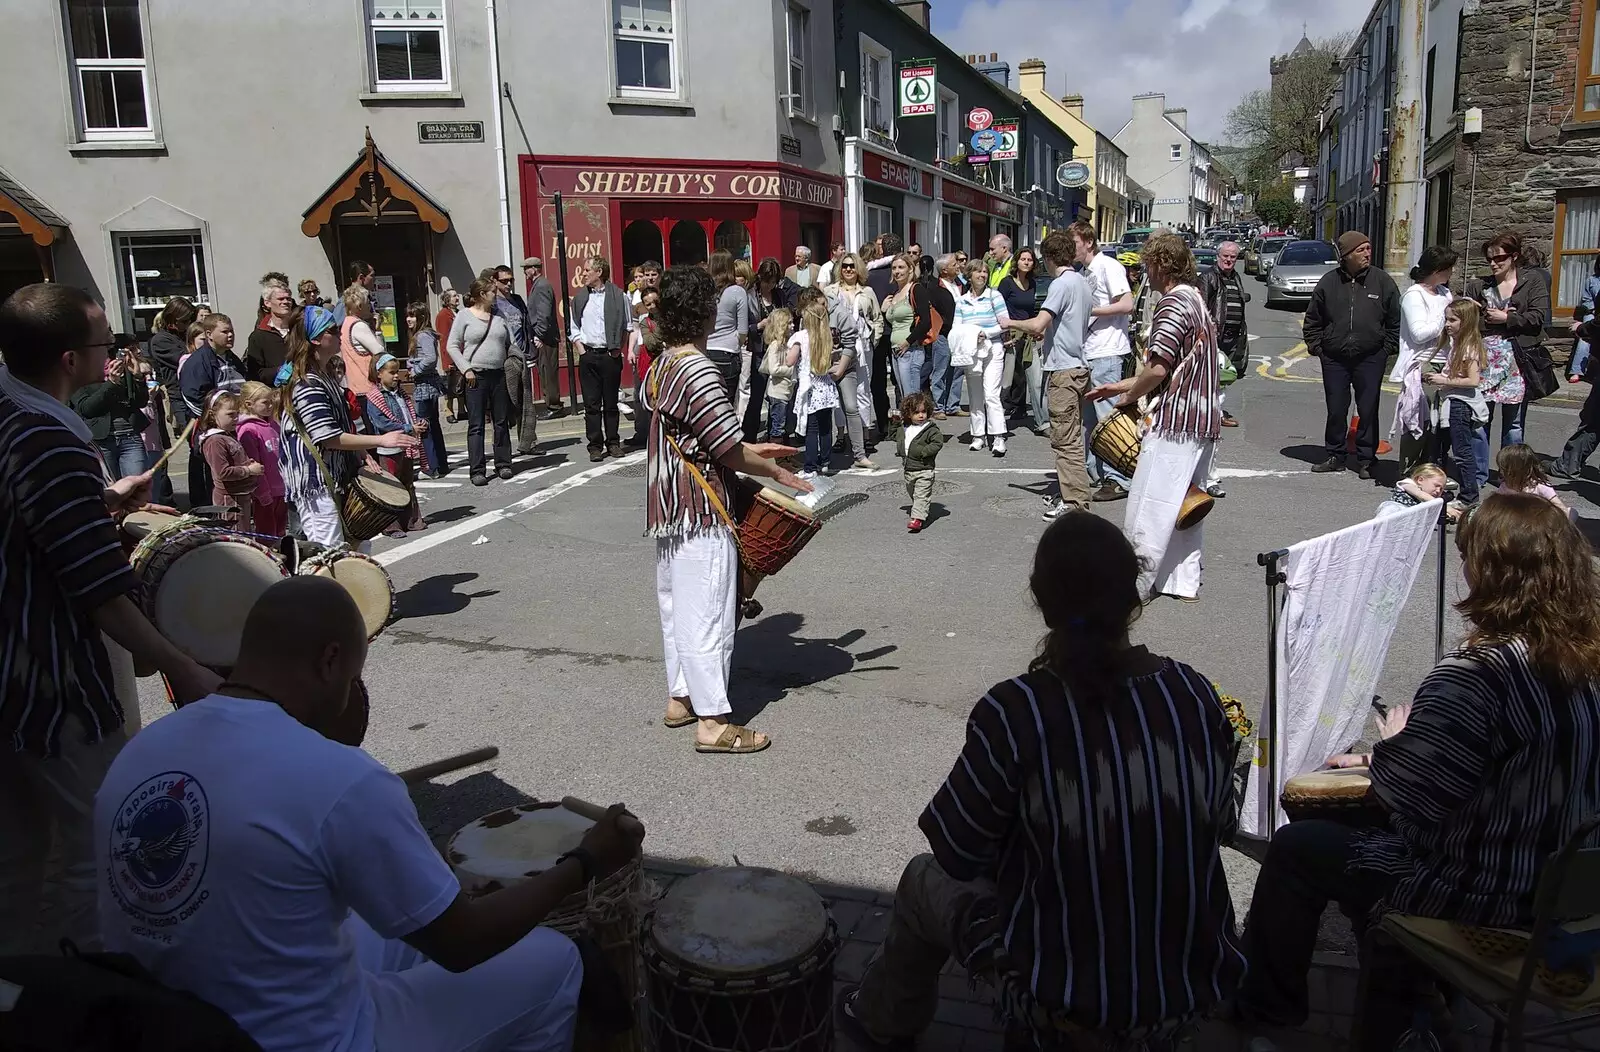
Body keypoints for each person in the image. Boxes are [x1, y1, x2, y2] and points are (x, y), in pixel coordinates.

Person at [96, 574, 643, 1052]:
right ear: (331, 660)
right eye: (355, 672)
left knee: (375, 920)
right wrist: (585, 862)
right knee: (552, 961)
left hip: (173, 1026)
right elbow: (462, 944)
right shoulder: (342, 779)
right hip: (315, 1041)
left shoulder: (142, 752)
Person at [839, 512, 1245, 1050]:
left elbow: (958, 853)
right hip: (1190, 985)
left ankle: (880, 1024)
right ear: (1133, 599)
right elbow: (1221, 823)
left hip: (1060, 998)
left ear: (1042, 602)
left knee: (922, 879)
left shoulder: (1017, 710)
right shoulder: (1193, 694)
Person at [1235, 492, 1600, 1052]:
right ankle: (1412, 1001)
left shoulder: (1476, 676)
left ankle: (1272, 1009)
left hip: (1484, 896)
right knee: (1352, 852)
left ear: (1492, 574)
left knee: (1299, 847)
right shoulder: (1587, 661)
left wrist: (1396, 743)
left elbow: (1404, 799)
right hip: (1565, 893)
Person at [1, 282, 221, 958]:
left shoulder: (11, 419)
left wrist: (99, 503)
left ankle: (19, 987)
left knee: (19, 856)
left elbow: (36, 532)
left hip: (14, 677)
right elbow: (97, 590)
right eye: (103, 343)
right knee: (90, 852)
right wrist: (186, 667)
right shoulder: (51, 441)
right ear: (70, 359)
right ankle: (90, 998)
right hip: (57, 683)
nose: (113, 354)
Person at [643, 265, 810, 755]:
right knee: (709, 614)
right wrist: (777, 472)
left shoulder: (660, 366)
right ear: (706, 311)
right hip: (701, 509)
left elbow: (705, 437)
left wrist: (754, 447)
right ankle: (713, 723)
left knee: (677, 610)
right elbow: (729, 452)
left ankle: (681, 699)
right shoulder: (699, 368)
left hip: (668, 506)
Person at [1088, 232, 1221, 603]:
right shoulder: (1196, 300)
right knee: (1185, 504)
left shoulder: (1173, 304)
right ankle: (1181, 581)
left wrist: (1129, 396)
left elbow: (1159, 368)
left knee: (1151, 505)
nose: (1145, 270)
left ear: (1161, 264)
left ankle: (1134, 587)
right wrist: (1119, 386)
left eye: (1147, 263)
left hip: (1177, 419)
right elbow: (1172, 364)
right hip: (1201, 417)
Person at [280, 305, 417, 546]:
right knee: (331, 552)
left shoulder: (325, 377)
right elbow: (328, 437)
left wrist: (361, 452)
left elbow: (341, 425)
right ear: (315, 339)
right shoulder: (307, 384)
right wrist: (381, 440)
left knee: (357, 548)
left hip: (334, 476)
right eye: (332, 330)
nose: (339, 334)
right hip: (316, 481)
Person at [998, 230, 1094, 521]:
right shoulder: (1081, 282)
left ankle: (1075, 501)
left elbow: (1039, 323)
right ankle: (1070, 491)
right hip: (1079, 365)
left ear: (1050, 257)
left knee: (1065, 441)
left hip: (1064, 370)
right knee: (1072, 436)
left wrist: (1009, 322)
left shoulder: (1060, 284)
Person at [1304, 231, 1401, 479]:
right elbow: (1313, 318)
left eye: (1369, 248)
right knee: (1336, 408)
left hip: (1370, 357)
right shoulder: (1328, 282)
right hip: (1335, 357)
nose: (1367, 253)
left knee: (1368, 408)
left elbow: (1395, 320)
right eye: (1361, 250)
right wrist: (1318, 347)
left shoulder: (1382, 281)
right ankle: (1335, 454)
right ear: (1346, 255)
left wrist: (1386, 349)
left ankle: (1366, 459)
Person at [1467, 229, 1551, 457]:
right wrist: (1486, 313)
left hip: (1517, 361)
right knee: (1480, 420)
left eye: (1499, 258)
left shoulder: (1532, 281)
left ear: (1514, 256)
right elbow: (1465, 319)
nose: (1493, 264)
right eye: (1490, 259)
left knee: (1514, 424)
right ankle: (1478, 475)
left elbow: (1537, 318)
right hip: (1484, 361)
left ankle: (1510, 474)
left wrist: (1507, 318)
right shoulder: (1479, 286)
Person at [1074, 221, 1136, 501]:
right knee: (1089, 419)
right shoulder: (1085, 272)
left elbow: (1126, 304)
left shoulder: (1109, 266)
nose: (1070, 249)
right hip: (1090, 350)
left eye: (1074, 243)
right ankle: (1098, 472)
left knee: (1108, 416)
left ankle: (1119, 477)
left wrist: (1090, 309)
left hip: (1107, 351)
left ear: (1088, 241)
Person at [1389, 246, 1458, 471]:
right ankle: (1410, 472)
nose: (1451, 273)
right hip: (1423, 363)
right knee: (1420, 420)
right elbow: (1418, 334)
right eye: (1448, 269)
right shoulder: (1413, 296)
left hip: (1446, 361)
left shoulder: (1444, 293)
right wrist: (1446, 320)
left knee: (1442, 422)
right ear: (1437, 270)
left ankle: (1434, 470)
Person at [1424, 297, 1488, 514]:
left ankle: (1469, 496)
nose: (1447, 324)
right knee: (1439, 446)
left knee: (1462, 452)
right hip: (1449, 401)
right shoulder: (1457, 344)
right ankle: (1437, 488)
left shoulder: (1469, 347)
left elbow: (1473, 381)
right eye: (1446, 319)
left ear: (1466, 321)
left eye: (1452, 320)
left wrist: (1444, 380)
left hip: (1460, 404)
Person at [448, 278, 515, 485]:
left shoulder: (499, 315)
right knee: (476, 425)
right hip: (475, 376)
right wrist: (466, 369)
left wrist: (515, 361)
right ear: (482, 295)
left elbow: (511, 342)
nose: (496, 294)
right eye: (493, 291)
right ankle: (477, 470)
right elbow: (451, 346)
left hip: (499, 375)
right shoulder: (463, 316)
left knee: (501, 422)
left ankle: (503, 464)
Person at [570, 256, 630, 462]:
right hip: (589, 355)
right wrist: (581, 350)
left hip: (609, 356)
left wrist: (617, 350)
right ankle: (595, 445)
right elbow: (574, 328)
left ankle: (613, 442)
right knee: (591, 405)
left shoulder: (619, 296)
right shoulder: (579, 299)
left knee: (611, 403)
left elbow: (627, 326)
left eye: (587, 270)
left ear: (599, 272)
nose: (584, 273)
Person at [366, 354, 429, 536]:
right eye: (391, 372)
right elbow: (382, 423)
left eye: (397, 372)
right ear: (379, 374)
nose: (396, 376)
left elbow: (410, 415)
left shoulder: (401, 394)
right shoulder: (375, 397)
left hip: (405, 445)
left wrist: (420, 423)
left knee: (408, 483)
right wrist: (409, 427)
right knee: (391, 487)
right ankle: (391, 526)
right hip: (388, 448)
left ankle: (412, 520)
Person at [951, 260, 1009, 456]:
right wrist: (970, 337)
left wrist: (985, 333)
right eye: (978, 272)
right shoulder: (962, 300)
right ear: (969, 275)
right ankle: (978, 436)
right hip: (971, 351)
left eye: (985, 272)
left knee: (991, 394)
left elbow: (1004, 324)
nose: (983, 275)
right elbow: (956, 328)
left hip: (993, 349)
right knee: (975, 395)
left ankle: (998, 436)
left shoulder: (995, 296)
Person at [72, 338, 150, 480]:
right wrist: (111, 383)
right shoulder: (82, 372)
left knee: (137, 487)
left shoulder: (121, 366)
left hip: (130, 437)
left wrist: (138, 377)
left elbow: (141, 402)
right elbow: (87, 409)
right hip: (101, 440)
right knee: (111, 489)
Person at [828, 250, 882, 447]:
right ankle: (841, 435)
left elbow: (877, 318)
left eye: (852, 266)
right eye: (845, 266)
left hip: (863, 346)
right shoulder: (830, 292)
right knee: (839, 390)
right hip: (838, 347)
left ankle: (865, 434)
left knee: (863, 389)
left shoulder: (867, 292)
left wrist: (872, 339)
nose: (848, 269)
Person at [1196, 239, 1250, 429]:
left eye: (1233, 257)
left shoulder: (1236, 276)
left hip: (1233, 336)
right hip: (1215, 336)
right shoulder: (1208, 277)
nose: (1228, 260)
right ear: (1218, 256)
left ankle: (1214, 411)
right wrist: (1207, 333)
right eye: (1225, 256)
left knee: (1223, 377)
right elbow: (1201, 307)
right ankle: (1213, 415)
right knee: (1214, 376)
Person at [487, 264, 538, 457]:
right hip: (502, 359)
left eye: (511, 280)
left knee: (526, 402)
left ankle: (529, 442)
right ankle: (501, 447)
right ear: (494, 281)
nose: (508, 284)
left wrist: (532, 345)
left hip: (522, 356)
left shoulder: (517, 301)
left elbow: (526, 325)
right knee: (504, 405)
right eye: (504, 281)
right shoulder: (492, 305)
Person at [995, 246, 1047, 435]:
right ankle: (995, 423)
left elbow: (1033, 311)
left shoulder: (1032, 283)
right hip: (1010, 336)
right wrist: (1004, 334)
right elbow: (998, 309)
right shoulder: (1007, 284)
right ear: (1016, 261)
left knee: (1036, 380)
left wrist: (1038, 328)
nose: (1026, 262)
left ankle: (1043, 422)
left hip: (1028, 336)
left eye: (1030, 260)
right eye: (1023, 259)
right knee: (1006, 383)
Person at [198, 389, 263, 534]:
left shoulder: (227, 436)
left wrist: (247, 463)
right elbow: (222, 472)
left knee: (244, 533)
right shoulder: (215, 441)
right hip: (229, 500)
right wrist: (248, 470)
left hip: (240, 496)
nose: (235, 418)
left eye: (237, 414)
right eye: (230, 414)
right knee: (235, 535)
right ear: (212, 415)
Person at [789, 295, 840, 479]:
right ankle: (825, 461)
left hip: (810, 388)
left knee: (811, 429)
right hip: (826, 386)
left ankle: (810, 466)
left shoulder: (801, 336)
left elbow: (790, 360)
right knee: (826, 427)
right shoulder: (826, 336)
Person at [236, 381, 288, 539]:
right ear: (249, 404)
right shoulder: (248, 430)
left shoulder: (274, 425)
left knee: (280, 531)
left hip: (282, 489)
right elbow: (254, 463)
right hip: (265, 493)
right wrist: (263, 492)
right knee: (267, 534)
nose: (271, 406)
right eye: (265, 402)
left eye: (272, 401)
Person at [405, 302, 450, 478]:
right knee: (433, 426)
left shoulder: (423, 335)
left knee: (425, 427)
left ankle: (431, 467)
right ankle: (441, 464)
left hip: (425, 386)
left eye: (413, 316)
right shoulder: (423, 335)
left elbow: (430, 358)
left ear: (421, 317)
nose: (409, 319)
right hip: (429, 385)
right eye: (408, 315)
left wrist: (415, 370)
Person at [865, 234, 903, 429]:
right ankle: (902, 418)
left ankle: (882, 423)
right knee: (901, 379)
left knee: (878, 379)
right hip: (900, 332)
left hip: (878, 332)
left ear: (881, 250)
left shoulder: (871, 275)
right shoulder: (904, 273)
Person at [897, 391, 946, 533]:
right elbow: (895, 436)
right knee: (913, 493)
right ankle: (921, 509)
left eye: (924, 412)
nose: (920, 415)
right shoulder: (905, 428)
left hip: (924, 469)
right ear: (908, 413)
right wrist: (894, 423)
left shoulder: (930, 429)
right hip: (908, 469)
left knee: (921, 494)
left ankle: (917, 519)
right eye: (916, 412)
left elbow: (937, 443)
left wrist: (924, 452)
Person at [922, 256, 963, 417]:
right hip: (943, 333)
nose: (958, 266)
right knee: (941, 369)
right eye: (954, 264)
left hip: (960, 333)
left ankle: (953, 405)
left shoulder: (960, 284)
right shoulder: (934, 287)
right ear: (944, 270)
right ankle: (938, 406)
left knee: (958, 369)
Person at [147, 296, 197, 430]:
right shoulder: (161, 340)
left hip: (199, 393)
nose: (188, 324)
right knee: (193, 438)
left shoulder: (187, 335)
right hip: (180, 397)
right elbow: (188, 361)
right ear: (172, 319)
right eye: (185, 321)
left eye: (191, 320)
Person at [705, 249, 749, 399]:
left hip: (705, 350)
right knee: (727, 405)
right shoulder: (737, 291)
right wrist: (736, 342)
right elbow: (743, 330)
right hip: (728, 352)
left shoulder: (704, 291)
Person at [522, 258, 563, 418]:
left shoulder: (542, 286)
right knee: (545, 371)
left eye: (526, 268)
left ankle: (554, 406)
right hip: (543, 336)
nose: (524, 271)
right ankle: (551, 403)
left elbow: (544, 314)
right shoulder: (538, 285)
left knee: (548, 372)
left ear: (534, 268)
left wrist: (539, 334)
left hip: (546, 338)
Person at [883, 254, 922, 418]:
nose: (897, 271)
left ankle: (918, 434)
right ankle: (910, 434)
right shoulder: (895, 293)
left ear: (910, 269)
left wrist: (907, 342)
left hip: (910, 350)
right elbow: (895, 323)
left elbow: (925, 322)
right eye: (894, 268)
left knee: (911, 397)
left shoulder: (916, 289)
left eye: (901, 267)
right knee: (905, 396)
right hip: (896, 351)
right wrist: (884, 309)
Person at [339, 285, 385, 423]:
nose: (370, 306)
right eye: (367, 302)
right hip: (368, 387)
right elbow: (380, 352)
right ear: (359, 306)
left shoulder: (345, 323)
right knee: (375, 430)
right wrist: (378, 331)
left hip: (354, 386)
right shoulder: (359, 326)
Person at [626, 288, 663, 446]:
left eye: (655, 302)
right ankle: (646, 433)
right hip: (649, 363)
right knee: (646, 398)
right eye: (648, 304)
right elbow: (651, 343)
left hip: (667, 363)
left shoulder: (671, 319)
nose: (653, 306)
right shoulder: (644, 322)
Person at [1497, 443, 1573, 518]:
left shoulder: (1539, 486)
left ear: (1520, 470)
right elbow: (1495, 505)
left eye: (1505, 469)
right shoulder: (1505, 486)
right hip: (1517, 521)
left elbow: (1559, 507)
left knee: (1571, 513)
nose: (1501, 472)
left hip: (1540, 522)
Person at [245, 281, 296, 386]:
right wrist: (279, 371)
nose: (286, 302)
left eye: (288, 298)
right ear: (267, 303)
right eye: (280, 299)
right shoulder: (258, 336)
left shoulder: (300, 330)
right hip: (274, 396)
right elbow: (255, 374)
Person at [759, 307, 797, 442]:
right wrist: (792, 371)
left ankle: (785, 456)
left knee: (786, 427)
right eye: (789, 323)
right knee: (777, 427)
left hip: (787, 391)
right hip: (778, 392)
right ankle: (778, 457)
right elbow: (774, 369)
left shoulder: (788, 343)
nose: (793, 326)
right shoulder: (775, 345)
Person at [1375, 461, 1449, 520]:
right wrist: (1444, 507)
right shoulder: (1408, 483)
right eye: (1436, 486)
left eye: (1442, 489)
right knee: (1390, 509)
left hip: (1408, 521)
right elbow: (1419, 494)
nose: (1438, 490)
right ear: (1420, 480)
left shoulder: (1431, 498)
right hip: (1394, 512)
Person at [1568, 255, 1600, 383]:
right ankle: (1576, 371)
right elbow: (1586, 300)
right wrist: (1592, 311)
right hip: (1593, 312)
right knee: (1584, 337)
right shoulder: (1592, 280)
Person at [329, 259, 376, 326]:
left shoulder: (367, 299)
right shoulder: (347, 301)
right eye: (372, 275)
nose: (374, 279)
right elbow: (335, 328)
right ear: (361, 277)